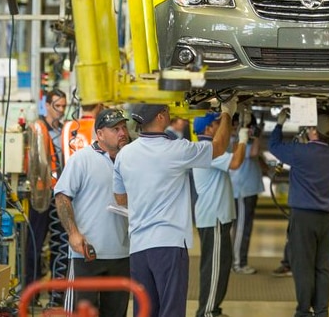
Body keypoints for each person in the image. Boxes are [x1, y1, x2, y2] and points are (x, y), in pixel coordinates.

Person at [113, 98, 236, 317]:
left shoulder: (124, 155)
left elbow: (121, 199)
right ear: (160, 116)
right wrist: (227, 112)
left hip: (138, 246)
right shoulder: (175, 150)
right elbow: (217, 148)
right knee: (171, 311)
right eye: (168, 111)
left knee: (144, 311)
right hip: (168, 244)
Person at [54, 108, 131, 316]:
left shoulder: (131, 161)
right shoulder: (82, 160)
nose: (122, 132)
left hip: (122, 255)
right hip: (86, 254)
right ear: (100, 134)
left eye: (124, 127)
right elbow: (62, 197)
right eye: (115, 129)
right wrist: (73, 233)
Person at [269, 108, 329, 317]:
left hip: (303, 219)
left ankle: (303, 311)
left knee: (303, 267)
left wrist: (280, 124)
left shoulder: (300, 153)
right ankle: (321, 311)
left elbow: (274, 146)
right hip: (326, 219)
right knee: (323, 267)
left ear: (314, 132)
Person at [192, 112, 248, 317]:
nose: (222, 128)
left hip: (217, 217)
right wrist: (243, 138)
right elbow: (235, 163)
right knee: (214, 268)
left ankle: (212, 308)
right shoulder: (208, 150)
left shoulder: (210, 149)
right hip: (213, 218)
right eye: (218, 124)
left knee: (220, 266)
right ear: (208, 129)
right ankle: (207, 312)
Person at [25, 88, 67, 306]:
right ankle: (30, 297)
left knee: (60, 247)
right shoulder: (36, 129)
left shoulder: (67, 130)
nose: (60, 111)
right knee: (35, 246)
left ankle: (56, 297)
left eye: (63, 106)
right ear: (47, 105)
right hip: (40, 197)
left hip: (61, 196)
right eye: (57, 106)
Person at [230, 113, 265, 275]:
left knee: (245, 228)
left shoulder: (242, 140)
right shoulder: (235, 141)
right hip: (242, 190)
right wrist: (255, 137)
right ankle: (238, 262)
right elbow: (253, 153)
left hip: (250, 189)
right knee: (241, 228)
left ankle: (239, 260)